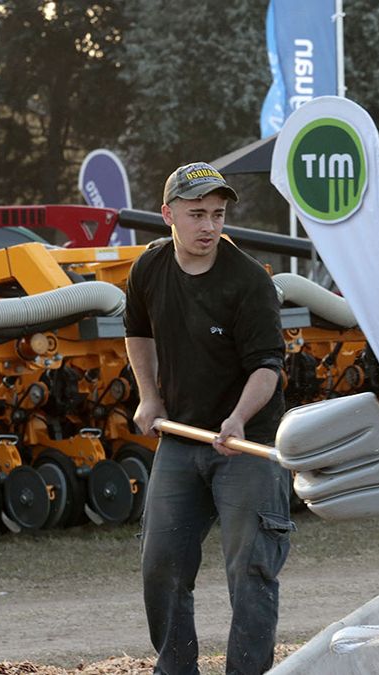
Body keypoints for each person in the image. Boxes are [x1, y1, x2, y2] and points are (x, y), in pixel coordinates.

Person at [124, 162, 293, 675]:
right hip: (182, 439)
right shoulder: (149, 268)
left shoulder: (248, 281)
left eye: (217, 215)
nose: (209, 226)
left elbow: (268, 367)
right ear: (168, 215)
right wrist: (149, 397)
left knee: (250, 570)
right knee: (162, 567)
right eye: (196, 214)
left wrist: (239, 420)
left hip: (245, 444)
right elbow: (137, 331)